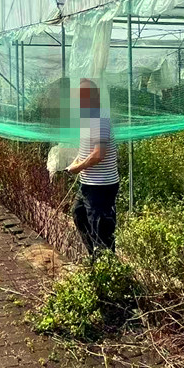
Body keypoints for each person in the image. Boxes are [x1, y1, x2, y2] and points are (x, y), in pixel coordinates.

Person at [66, 78, 119, 255]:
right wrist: (75, 162)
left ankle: (105, 263)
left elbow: (98, 154)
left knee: (100, 230)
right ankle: (95, 257)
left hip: (101, 186)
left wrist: (78, 168)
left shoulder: (99, 119)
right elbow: (86, 150)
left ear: (95, 97)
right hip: (88, 184)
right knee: (79, 214)